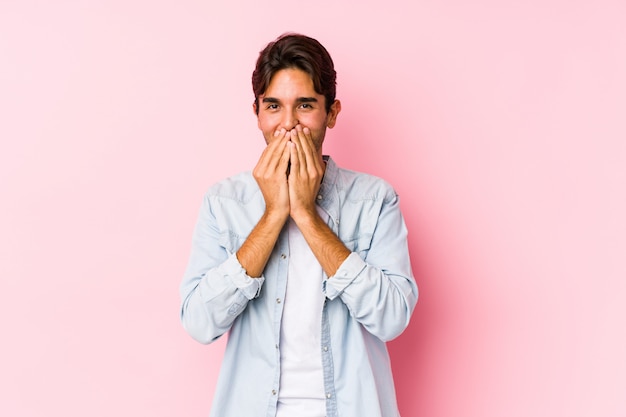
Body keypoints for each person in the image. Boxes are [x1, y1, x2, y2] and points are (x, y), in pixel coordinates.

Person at [180, 33, 418, 417]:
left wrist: (306, 214)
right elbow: (199, 322)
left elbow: (391, 318)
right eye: (273, 106)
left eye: (305, 105)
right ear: (256, 111)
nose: (288, 125)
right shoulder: (224, 203)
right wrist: (274, 213)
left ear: (332, 113)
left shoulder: (375, 200)